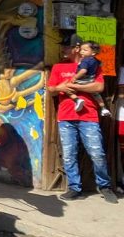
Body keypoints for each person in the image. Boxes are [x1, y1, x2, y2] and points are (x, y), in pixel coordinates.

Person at [50, 35, 116, 203]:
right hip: (65, 117)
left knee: (97, 153)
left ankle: (105, 186)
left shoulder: (92, 64)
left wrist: (74, 86)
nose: (63, 49)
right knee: (69, 155)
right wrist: (60, 87)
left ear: (77, 48)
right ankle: (74, 187)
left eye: (67, 46)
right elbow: (51, 89)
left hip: (89, 115)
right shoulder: (58, 67)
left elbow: (99, 86)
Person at [73, 41, 109, 116]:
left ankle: (77, 100)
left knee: (68, 88)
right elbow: (101, 63)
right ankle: (103, 108)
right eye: (81, 49)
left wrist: (75, 77)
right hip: (91, 80)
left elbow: (83, 71)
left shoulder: (85, 60)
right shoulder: (96, 60)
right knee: (96, 95)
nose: (81, 51)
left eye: (85, 50)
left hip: (82, 79)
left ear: (93, 53)